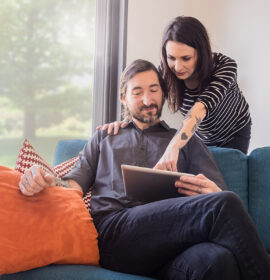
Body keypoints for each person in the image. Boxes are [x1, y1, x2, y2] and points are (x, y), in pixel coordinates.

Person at [19, 60, 269, 280]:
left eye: (154, 90)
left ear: (163, 93)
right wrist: (47, 179)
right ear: (123, 97)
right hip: (117, 235)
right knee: (223, 204)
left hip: (174, 244)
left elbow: (218, 194)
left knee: (217, 260)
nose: (148, 100)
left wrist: (211, 190)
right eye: (137, 92)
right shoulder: (104, 138)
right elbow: (73, 186)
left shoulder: (186, 141)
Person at [98, 16, 252, 172]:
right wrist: (124, 123)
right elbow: (148, 100)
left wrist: (174, 146)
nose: (177, 67)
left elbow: (200, 109)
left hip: (234, 132)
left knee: (229, 175)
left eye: (186, 58)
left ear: (202, 53)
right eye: (171, 58)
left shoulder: (225, 67)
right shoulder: (165, 71)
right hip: (199, 135)